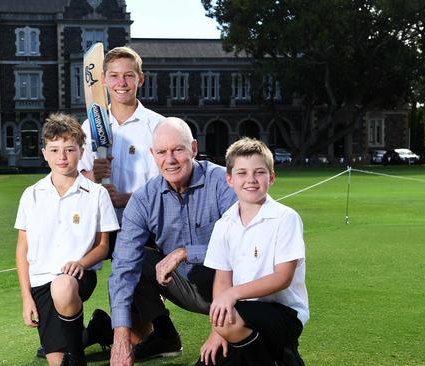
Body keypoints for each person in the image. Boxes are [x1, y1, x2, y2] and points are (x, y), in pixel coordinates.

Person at [108, 117, 238, 365]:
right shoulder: (143, 199)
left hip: (233, 289)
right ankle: (165, 337)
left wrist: (184, 252)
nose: (170, 159)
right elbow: (123, 268)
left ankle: (240, 333)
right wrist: (120, 338)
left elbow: (243, 247)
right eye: (161, 152)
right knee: (136, 262)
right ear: (152, 155)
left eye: (178, 149)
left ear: (194, 149)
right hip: (186, 287)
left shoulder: (224, 182)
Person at [14, 113, 119, 366]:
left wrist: (81, 264)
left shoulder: (96, 194)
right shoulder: (31, 195)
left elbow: (103, 246)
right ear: (44, 153)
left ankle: (78, 357)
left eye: (70, 149)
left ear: (81, 152)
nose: (62, 157)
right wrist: (26, 297)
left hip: (78, 278)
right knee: (56, 362)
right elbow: (22, 250)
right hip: (41, 283)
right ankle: (96, 330)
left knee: (62, 286)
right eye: (55, 149)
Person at [78, 46, 165, 350]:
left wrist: (128, 198)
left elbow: (166, 183)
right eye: (114, 76)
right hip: (101, 224)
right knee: (69, 268)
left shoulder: (158, 125)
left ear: (140, 79)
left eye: (129, 75)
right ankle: (67, 336)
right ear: (103, 80)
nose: (121, 82)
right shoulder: (91, 126)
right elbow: (73, 180)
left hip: (144, 224)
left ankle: (148, 333)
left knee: (135, 272)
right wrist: (91, 175)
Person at [200, 137, 308, 365]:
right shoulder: (224, 223)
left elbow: (283, 277)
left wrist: (232, 295)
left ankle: (282, 353)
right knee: (208, 361)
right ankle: (283, 358)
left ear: (271, 177)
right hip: (240, 315)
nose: (250, 180)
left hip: (284, 313)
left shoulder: (285, 218)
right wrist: (216, 332)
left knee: (229, 319)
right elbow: (222, 279)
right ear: (229, 179)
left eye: (259, 172)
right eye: (241, 173)